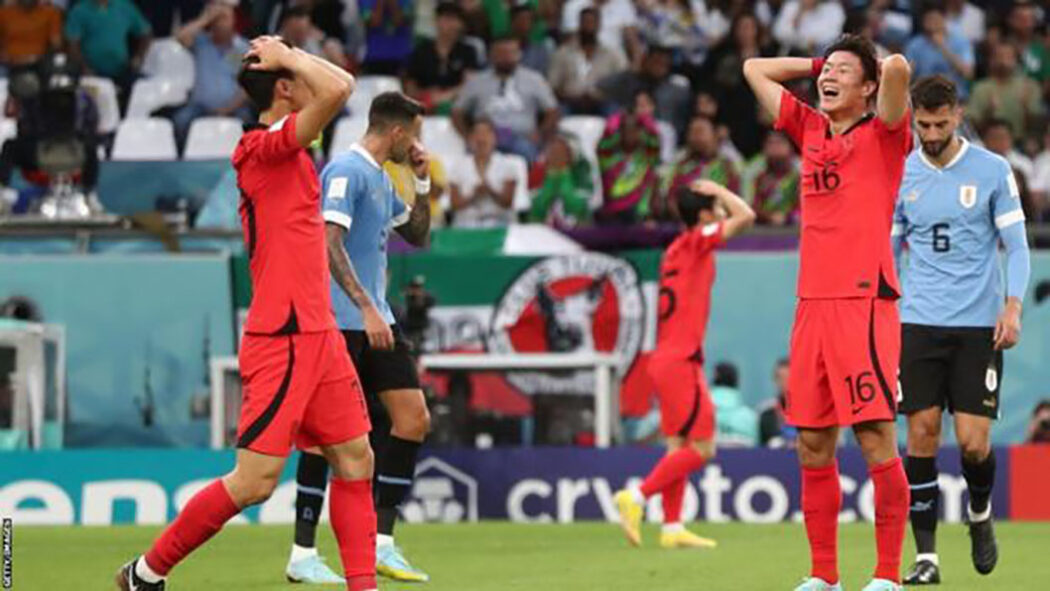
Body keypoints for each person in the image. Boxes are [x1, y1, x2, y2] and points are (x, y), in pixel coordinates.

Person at [114, 36, 376, 591]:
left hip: (318, 334)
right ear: (284, 88)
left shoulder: (292, 146)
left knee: (356, 459)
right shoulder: (260, 148)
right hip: (283, 335)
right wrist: (286, 53)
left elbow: (333, 84)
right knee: (256, 481)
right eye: (295, 78)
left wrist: (290, 53)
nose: (309, 85)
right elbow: (341, 87)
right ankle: (145, 574)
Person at [744, 34, 913, 591]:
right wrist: (820, 62)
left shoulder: (886, 134)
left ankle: (887, 575)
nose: (828, 77)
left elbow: (898, 68)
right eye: (826, 70)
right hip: (810, 305)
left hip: (863, 303)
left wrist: (869, 62)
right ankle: (824, 576)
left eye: (843, 71)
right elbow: (754, 69)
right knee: (812, 443)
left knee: (873, 437)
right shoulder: (810, 128)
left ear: (867, 87)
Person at [892, 75, 1031, 586]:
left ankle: (979, 512)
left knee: (974, 444)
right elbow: (890, 247)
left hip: (977, 327)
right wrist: (885, 310)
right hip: (918, 321)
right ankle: (926, 556)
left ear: (957, 115)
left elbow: (1016, 246)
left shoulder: (993, 171)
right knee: (922, 434)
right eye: (922, 124)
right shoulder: (901, 171)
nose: (930, 133)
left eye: (939, 123)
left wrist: (1012, 307)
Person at [290, 91, 434, 585]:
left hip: (377, 322)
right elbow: (328, 241)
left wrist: (420, 178)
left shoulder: (380, 175)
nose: (414, 142)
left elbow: (417, 235)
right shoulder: (346, 171)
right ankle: (302, 553)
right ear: (396, 131)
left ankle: (384, 544)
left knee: (412, 419)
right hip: (339, 322)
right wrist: (366, 306)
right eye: (412, 134)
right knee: (321, 439)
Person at [612, 179, 755, 549]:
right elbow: (747, 216)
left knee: (678, 446)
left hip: (665, 358)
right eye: (716, 210)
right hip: (681, 361)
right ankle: (637, 498)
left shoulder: (674, 249)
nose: (722, 214)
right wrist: (720, 191)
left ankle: (672, 528)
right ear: (706, 215)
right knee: (704, 448)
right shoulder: (697, 239)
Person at [452, 36, 559, 162]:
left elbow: (552, 110)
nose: (506, 58)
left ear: (519, 55)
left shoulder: (534, 79)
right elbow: (457, 111)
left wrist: (540, 134)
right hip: (485, 137)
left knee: (527, 153)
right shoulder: (476, 81)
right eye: (501, 53)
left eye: (511, 53)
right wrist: (467, 135)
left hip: (521, 137)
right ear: (491, 55)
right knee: (470, 158)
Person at [172, 2, 251, 148]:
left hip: (234, 108)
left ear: (233, 21)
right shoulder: (201, 42)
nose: (221, 24)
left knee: (248, 122)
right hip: (200, 106)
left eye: (225, 18)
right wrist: (204, 19)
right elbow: (179, 38)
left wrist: (227, 109)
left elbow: (248, 88)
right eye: (217, 20)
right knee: (181, 121)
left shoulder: (242, 48)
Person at [65, 0, 152, 105]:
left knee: (145, 88)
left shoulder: (125, 6)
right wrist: (84, 68)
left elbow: (146, 33)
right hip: (90, 75)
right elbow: (72, 45)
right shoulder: (79, 10)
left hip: (122, 71)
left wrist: (138, 57)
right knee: (87, 104)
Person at [598, 45, 692, 139]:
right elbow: (600, 87)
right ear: (646, 61)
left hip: (665, 135)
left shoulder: (677, 91)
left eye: (664, 64)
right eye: (656, 62)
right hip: (629, 134)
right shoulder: (628, 80)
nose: (659, 68)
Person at [403, 2, 481, 115]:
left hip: (456, 104)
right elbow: (410, 87)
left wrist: (444, 96)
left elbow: (469, 83)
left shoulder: (468, 51)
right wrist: (427, 96)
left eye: (455, 20)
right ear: (436, 21)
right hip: (425, 103)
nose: (450, 24)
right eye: (446, 19)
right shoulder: (421, 51)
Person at [547, 6, 626, 116]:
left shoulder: (612, 54)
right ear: (579, 24)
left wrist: (601, 97)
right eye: (585, 22)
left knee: (615, 112)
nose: (589, 25)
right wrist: (571, 97)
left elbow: (622, 83)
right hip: (570, 102)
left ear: (599, 25)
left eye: (592, 22)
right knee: (557, 113)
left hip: (602, 102)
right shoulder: (563, 53)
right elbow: (553, 86)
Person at [663, 116, 740, 220]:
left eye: (700, 132)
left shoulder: (728, 166)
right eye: (692, 132)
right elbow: (670, 198)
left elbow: (735, 200)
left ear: (714, 136)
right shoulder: (679, 166)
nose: (695, 137)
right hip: (683, 223)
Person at [448, 118, 519, 228]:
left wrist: (489, 190)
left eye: (486, 133)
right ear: (470, 139)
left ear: (494, 138)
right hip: (467, 223)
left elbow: (507, 202)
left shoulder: (508, 164)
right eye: (477, 134)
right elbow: (454, 204)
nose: (481, 138)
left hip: (499, 222)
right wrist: (474, 195)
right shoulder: (458, 166)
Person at [966, 42, 1043, 141]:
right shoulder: (980, 88)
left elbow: (1037, 127)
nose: (1003, 61)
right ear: (990, 60)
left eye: (1008, 57)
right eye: (998, 56)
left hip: (1022, 143)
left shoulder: (1030, 86)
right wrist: (988, 113)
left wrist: (1026, 108)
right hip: (990, 144)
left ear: (1016, 60)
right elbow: (973, 126)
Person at [595, 109, 661, 224]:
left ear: (640, 133)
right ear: (620, 133)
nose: (630, 134)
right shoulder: (609, 159)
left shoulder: (647, 158)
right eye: (626, 130)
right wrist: (616, 120)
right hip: (613, 213)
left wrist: (642, 118)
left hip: (639, 214)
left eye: (635, 130)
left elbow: (654, 137)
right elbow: (603, 145)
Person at [904, 3, 974, 99]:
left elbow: (968, 73)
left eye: (936, 19)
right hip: (924, 98)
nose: (932, 24)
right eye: (929, 20)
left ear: (944, 19)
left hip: (955, 96)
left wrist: (943, 47)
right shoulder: (915, 45)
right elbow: (907, 76)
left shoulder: (961, 41)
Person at [742, 130, 800, 225]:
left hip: (795, 229)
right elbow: (748, 207)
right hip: (760, 230)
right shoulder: (753, 174)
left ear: (791, 148)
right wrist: (768, 217)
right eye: (770, 143)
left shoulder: (801, 173)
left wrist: (787, 217)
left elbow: (809, 207)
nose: (775, 147)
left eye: (779, 142)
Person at [0, 0, 63, 68]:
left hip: (39, 63)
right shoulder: (3, 13)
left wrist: (43, 58)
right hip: (7, 63)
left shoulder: (51, 12)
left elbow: (56, 42)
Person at [758, 358, 798, 447]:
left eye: (789, 378)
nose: (785, 383)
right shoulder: (766, 413)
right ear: (775, 380)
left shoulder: (809, 414)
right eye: (781, 378)